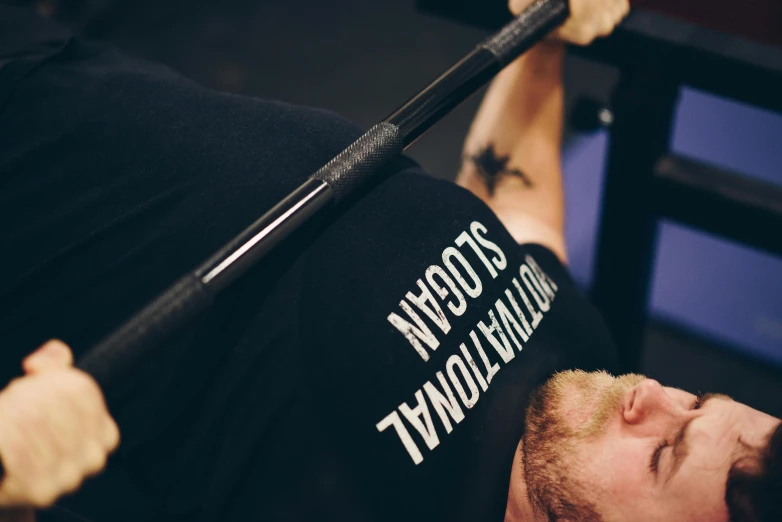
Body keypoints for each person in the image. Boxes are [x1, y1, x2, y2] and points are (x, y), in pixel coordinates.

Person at [0, 1, 779, 522]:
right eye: (696, 401)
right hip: (54, 75)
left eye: (665, 454)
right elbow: (517, 207)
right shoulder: (588, 366)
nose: (650, 397)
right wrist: (547, 39)